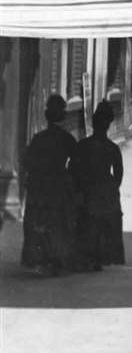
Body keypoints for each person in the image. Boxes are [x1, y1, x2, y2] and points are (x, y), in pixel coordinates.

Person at [21, 95, 78, 275]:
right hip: (58, 186)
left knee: (39, 221)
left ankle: (39, 258)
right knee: (58, 222)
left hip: (39, 187)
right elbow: (77, 163)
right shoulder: (67, 139)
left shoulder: (38, 138)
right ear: (63, 116)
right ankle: (57, 259)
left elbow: (27, 161)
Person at [72, 99, 125, 268]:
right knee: (105, 220)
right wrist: (112, 187)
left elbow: (73, 169)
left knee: (88, 221)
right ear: (108, 125)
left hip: (87, 189)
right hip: (105, 190)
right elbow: (118, 174)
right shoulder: (112, 148)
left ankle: (87, 255)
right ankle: (104, 256)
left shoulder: (82, 145)